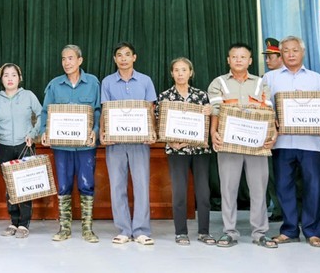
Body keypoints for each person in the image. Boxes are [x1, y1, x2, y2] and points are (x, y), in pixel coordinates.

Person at [263, 36, 320, 248]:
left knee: (313, 186)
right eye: (286, 51)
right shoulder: (270, 78)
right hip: (282, 142)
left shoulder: (315, 78)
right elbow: (263, 108)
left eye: (295, 50)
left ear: (302, 53)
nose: (291, 54)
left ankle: (313, 232)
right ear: (281, 54)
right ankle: (289, 230)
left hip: (310, 142)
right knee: (284, 187)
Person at [208, 43, 277, 249]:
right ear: (228, 60)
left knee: (259, 188)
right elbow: (216, 111)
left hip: (257, 144)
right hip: (228, 143)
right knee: (228, 189)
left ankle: (260, 232)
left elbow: (268, 112)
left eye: (243, 57)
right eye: (234, 57)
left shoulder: (260, 83)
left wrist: (273, 134)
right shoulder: (218, 83)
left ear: (250, 60)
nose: (238, 60)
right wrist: (213, 133)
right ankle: (229, 232)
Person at [40, 44, 101, 243]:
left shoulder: (92, 82)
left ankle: (87, 229)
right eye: (64, 59)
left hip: (85, 145)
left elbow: (99, 110)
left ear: (80, 60)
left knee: (87, 184)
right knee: (64, 185)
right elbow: (45, 112)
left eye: (71, 58)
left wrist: (96, 131)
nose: (67, 62)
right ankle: (64, 228)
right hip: (61, 146)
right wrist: (43, 131)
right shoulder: (55, 85)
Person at [99, 42, 157, 245]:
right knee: (117, 186)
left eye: (127, 54)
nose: (123, 58)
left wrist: (152, 132)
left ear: (134, 57)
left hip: (140, 142)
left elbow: (150, 110)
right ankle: (123, 229)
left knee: (142, 186)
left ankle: (141, 230)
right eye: (119, 55)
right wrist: (104, 133)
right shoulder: (107, 82)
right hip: (115, 143)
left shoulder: (145, 81)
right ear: (115, 59)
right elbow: (105, 111)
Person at [155, 57, 215, 246]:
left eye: (184, 70)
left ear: (191, 72)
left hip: (199, 151)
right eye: (176, 70)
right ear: (171, 73)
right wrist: (171, 140)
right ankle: (181, 232)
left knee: (203, 193)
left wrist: (209, 111)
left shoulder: (201, 96)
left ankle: (204, 232)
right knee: (179, 192)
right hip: (176, 151)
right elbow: (158, 123)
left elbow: (208, 122)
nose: (180, 73)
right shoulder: (164, 96)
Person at [0, 63, 41, 239]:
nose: (10, 78)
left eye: (14, 75)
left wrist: (33, 134)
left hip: (24, 145)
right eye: (6, 75)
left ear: (19, 78)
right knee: (10, 187)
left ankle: (24, 223)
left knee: (24, 185)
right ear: (1, 79)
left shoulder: (28, 96)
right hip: (4, 146)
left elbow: (42, 114)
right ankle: (13, 221)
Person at [262, 37, 283, 222]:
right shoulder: (266, 77)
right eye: (266, 57)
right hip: (270, 131)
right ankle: (277, 208)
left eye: (271, 56)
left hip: (292, 132)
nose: (268, 61)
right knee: (271, 174)